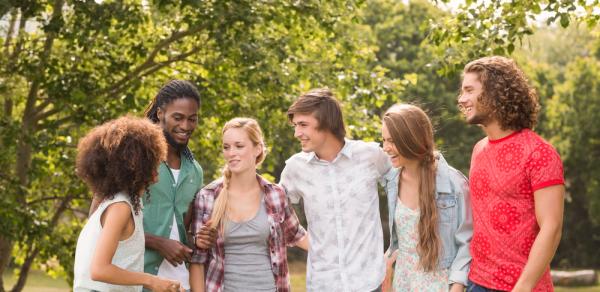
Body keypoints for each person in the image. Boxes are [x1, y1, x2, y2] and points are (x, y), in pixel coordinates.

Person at [457, 56, 565, 291]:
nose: (461, 99)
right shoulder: (478, 150)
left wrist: (523, 287)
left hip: (523, 286)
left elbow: (552, 226)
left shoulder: (540, 153)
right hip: (477, 282)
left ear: (495, 92)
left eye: (469, 90)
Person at [279, 88, 392, 292]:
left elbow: (404, 185)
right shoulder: (295, 168)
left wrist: (397, 247)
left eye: (303, 125)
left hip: (371, 282)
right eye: (295, 126)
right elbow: (275, 209)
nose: (297, 133)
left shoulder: (370, 156)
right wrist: (302, 239)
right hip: (323, 284)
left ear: (327, 122)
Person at [189, 117, 308, 292]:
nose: (231, 153)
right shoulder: (208, 197)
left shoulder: (275, 195)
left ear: (257, 149)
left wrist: (340, 250)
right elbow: (197, 261)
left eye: (239, 146)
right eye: (226, 147)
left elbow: (298, 236)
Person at [74, 116, 182, 292]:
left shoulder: (119, 203)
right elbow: (99, 270)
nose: (157, 171)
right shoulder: (119, 207)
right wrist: (152, 281)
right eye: (154, 163)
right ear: (136, 167)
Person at [380, 104, 472, 292]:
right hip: (404, 282)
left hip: (440, 283)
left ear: (411, 139)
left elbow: (468, 242)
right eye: (384, 140)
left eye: (392, 141)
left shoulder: (454, 184)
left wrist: (457, 286)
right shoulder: (391, 181)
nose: (386, 148)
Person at [142, 80, 215, 291]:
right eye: (178, 118)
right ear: (160, 114)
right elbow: (101, 221)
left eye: (192, 119)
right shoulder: (137, 158)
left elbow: (184, 232)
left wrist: (200, 239)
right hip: (139, 281)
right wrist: (158, 242)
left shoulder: (194, 171)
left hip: (179, 283)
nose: (185, 126)